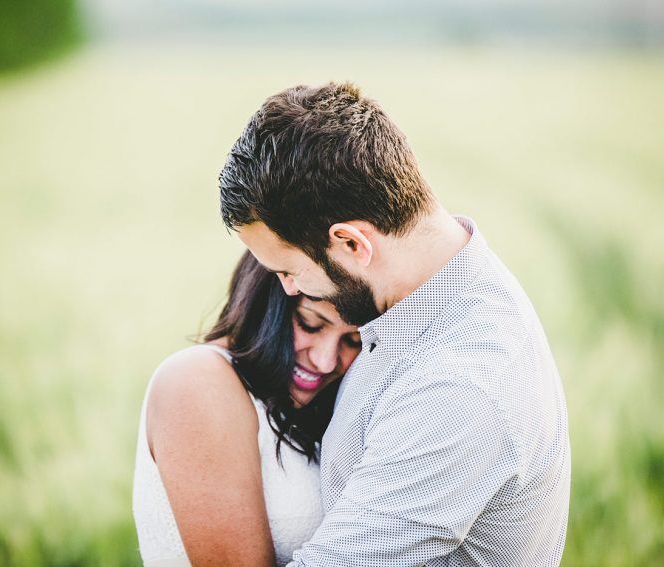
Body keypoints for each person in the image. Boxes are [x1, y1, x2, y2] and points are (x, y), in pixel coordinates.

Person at [219, 82, 571, 566]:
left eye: (288, 270)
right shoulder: (426, 303)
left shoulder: (458, 389)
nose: (287, 291)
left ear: (352, 244)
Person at [132, 251, 362, 566]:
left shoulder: (324, 405)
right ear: (266, 302)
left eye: (354, 341)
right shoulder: (198, 380)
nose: (326, 360)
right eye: (309, 324)